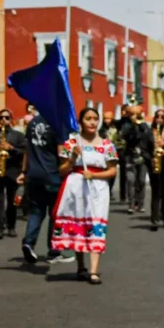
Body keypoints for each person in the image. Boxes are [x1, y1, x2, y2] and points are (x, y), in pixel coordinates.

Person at [54, 107, 119, 284]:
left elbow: (112, 170)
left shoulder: (107, 145)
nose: (92, 122)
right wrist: (72, 159)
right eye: (88, 118)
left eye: (95, 118)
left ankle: (94, 270)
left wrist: (95, 175)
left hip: (98, 189)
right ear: (81, 121)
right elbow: (61, 171)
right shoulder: (72, 143)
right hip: (75, 186)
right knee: (79, 224)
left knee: (95, 223)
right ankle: (81, 266)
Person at [18, 112, 73, 264]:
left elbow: (27, 150)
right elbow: (62, 154)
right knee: (55, 214)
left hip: (33, 175)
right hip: (52, 175)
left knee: (36, 212)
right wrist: (72, 160)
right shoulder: (58, 124)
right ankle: (53, 251)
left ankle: (28, 243)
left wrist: (23, 172)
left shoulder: (32, 122)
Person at [0, 109, 27, 239]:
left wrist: (11, 148)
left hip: (13, 171)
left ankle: (11, 226)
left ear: (11, 119)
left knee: (12, 201)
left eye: (7, 117)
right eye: (1, 117)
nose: (4, 120)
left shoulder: (18, 135)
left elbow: (24, 151)